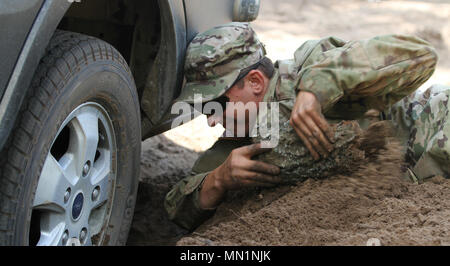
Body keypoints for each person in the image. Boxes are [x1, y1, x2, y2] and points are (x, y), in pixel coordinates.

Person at [164, 22, 442, 231]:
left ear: (256, 82)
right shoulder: (237, 146)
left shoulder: (309, 65)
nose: (211, 119)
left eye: (216, 103)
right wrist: (219, 179)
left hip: (435, 128)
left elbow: (421, 54)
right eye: (202, 108)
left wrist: (317, 88)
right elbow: (176, 208)